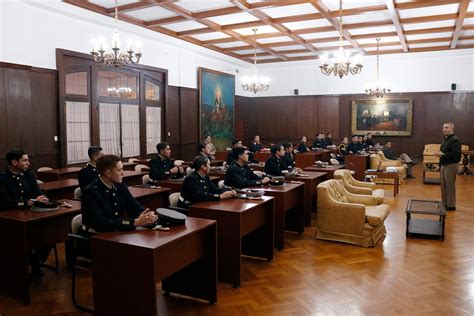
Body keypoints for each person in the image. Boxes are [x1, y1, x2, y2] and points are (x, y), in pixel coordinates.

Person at [0, 149, 52, 277]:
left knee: (50, 233)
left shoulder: (28, 174)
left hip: (32, 214)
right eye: (25, 160)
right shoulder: (2, 179)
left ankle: (35, 258)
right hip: (12, 218)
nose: (28, 163)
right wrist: (25, 202)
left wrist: (40, 197)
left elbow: (36, 190)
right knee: (24, 239)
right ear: (14, 162)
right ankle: (31, 260)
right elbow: (4, 202)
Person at [81, 155, 157, 233]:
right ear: (108, 173)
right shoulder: (91, 192)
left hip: (117, 231)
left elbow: (133, 205)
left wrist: (147, 216)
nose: (123, 173)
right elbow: (101, 223)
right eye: (119, 170)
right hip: (96, 236)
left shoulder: (120, 185)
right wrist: (134, 222)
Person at [434, 122, 461, 211]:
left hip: (451, 166)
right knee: (443, 186)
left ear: (452, 129)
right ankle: (444, 203)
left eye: (447, 127)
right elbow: (442, 152)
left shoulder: (455, 140)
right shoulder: (445, 139)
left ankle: (451, 205)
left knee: (450, 186)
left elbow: (456, 156)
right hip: (444, 165)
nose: (444, 129)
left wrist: (442, 155)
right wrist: (439, 165)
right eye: (443, 128)